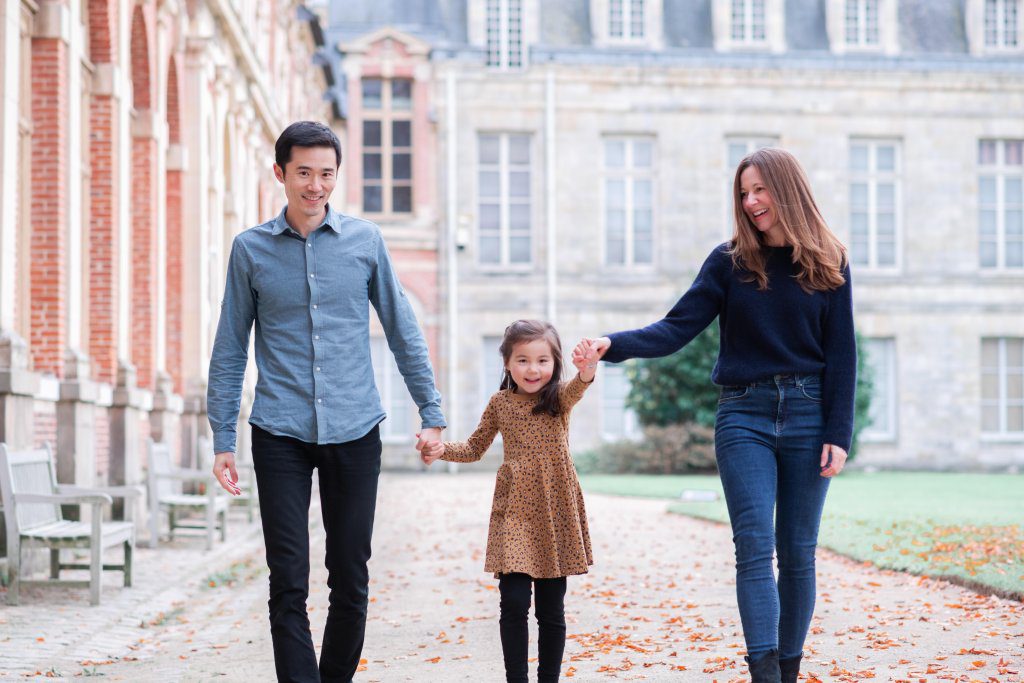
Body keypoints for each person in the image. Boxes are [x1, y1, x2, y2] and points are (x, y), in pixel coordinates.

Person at [583, 148, 856, 683]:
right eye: (743, 193)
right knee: (754, 545)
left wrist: (838, 433)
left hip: (808, 413)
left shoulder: (829, 260)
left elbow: (843, 355)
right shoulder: (729, 262)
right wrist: (612, 344)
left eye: (760, 190)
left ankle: (789, 670)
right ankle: (765, 673)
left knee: (797, 552)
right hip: (743, 416)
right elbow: (676, 327)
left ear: (787, 190)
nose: (751, 202)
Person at [207, 120, 445, 682]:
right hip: (279, 429)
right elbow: (229, 345)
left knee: (350, 575)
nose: (316, 186)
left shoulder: (365, 242)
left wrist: (430, 413)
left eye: (326, 174)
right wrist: (222, 436)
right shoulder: (250, 250)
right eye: (304, 173)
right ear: (281, 174)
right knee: (287, 576)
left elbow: (403, 329)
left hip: (355, 426)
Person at [420, 320, 599, 683]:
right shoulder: (500, 403)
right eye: (522, 360)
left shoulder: (558, 399)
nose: (533, 369)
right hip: (515, 511)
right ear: (506, 363)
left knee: (551, 609)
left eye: (542, 361)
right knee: (514, 602)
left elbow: (578, 388)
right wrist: (440, 450)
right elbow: (473, 448)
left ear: (555, 364)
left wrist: (588, 370)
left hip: (555, 510)